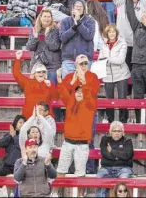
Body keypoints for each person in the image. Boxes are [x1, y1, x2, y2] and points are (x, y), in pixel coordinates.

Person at [51, 67, 98, 198]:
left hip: (82, 145)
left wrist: (84, 82)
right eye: (77, 91)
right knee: (61, 170)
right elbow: (63, 92)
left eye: (81, 92)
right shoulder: (70, 102)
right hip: (68, 143)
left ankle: (81, 195)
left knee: (80, 172)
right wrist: (60, 80)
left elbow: (89, 92)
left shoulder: (90, 104)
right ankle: (54, 194)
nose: (79, 93)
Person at [98, 24, 130, 123]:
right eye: (109, 32)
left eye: (113, 32)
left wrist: (107, 59)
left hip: (121, 74)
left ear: (116, 33)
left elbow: (120, 60)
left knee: (122, 99)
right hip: (108, 75)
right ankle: (110, 120)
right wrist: (103, 60)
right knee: (109, 99)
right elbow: (100, 58)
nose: (112, 34)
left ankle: (123, 120)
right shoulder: (104, 45)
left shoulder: (122, 43)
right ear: (106, 34)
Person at [13, 50, 59, 119]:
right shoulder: (27, 82)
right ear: (34, 74)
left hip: (45, 117)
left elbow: (56, 97)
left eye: (43, 72)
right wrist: (17, 59)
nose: (41, 74)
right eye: (39, 72)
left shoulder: (49, 83)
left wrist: (51, 86)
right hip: (29, 116)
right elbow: (16, 74)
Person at [96, 121, 134, 197]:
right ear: (110, 132)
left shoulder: (127, 141)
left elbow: (127, 156)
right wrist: (119, 156)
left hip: (124, 169)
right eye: (114, 131)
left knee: (123, 181)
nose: (117, 133)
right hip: (106, 168)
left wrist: (112, 151)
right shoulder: (105, 139)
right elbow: (105, 154)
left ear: (123, 132)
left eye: (119, 131)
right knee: (99, 177)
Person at [59, 0, 96, 77]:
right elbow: (63, 38)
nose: (78, 8)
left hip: (84, 60)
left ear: (84, 9)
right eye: (76, 6)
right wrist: (74, 28)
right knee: (68, 85)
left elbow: (88, 36)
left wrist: (79, 22)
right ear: (73, 8)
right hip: (69, 59)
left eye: (81, 6)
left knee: (84, 85)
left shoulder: (90, 21)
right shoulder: (65, 21)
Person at [0, 115, 26, 197]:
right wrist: (10, 135)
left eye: (24, 123)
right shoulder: (9, 134)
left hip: (19, 167)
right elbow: (1, 144)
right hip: (7, 166)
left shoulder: (25, 136)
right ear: (15, 124)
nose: (22, 124)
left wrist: (14, 136)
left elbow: (20, 146)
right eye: (20, 122)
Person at [26, 9, 62, 85]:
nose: (47, 18)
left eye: (49, 17)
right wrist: (35, 38)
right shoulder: (34, 30)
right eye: (45, 16)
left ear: (51, 18)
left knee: (53, 91)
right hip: (38, 65)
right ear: (40, 18)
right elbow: (29, 47)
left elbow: (55, 47)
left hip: (53, 66)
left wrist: (47, 35)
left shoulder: (56, 30)